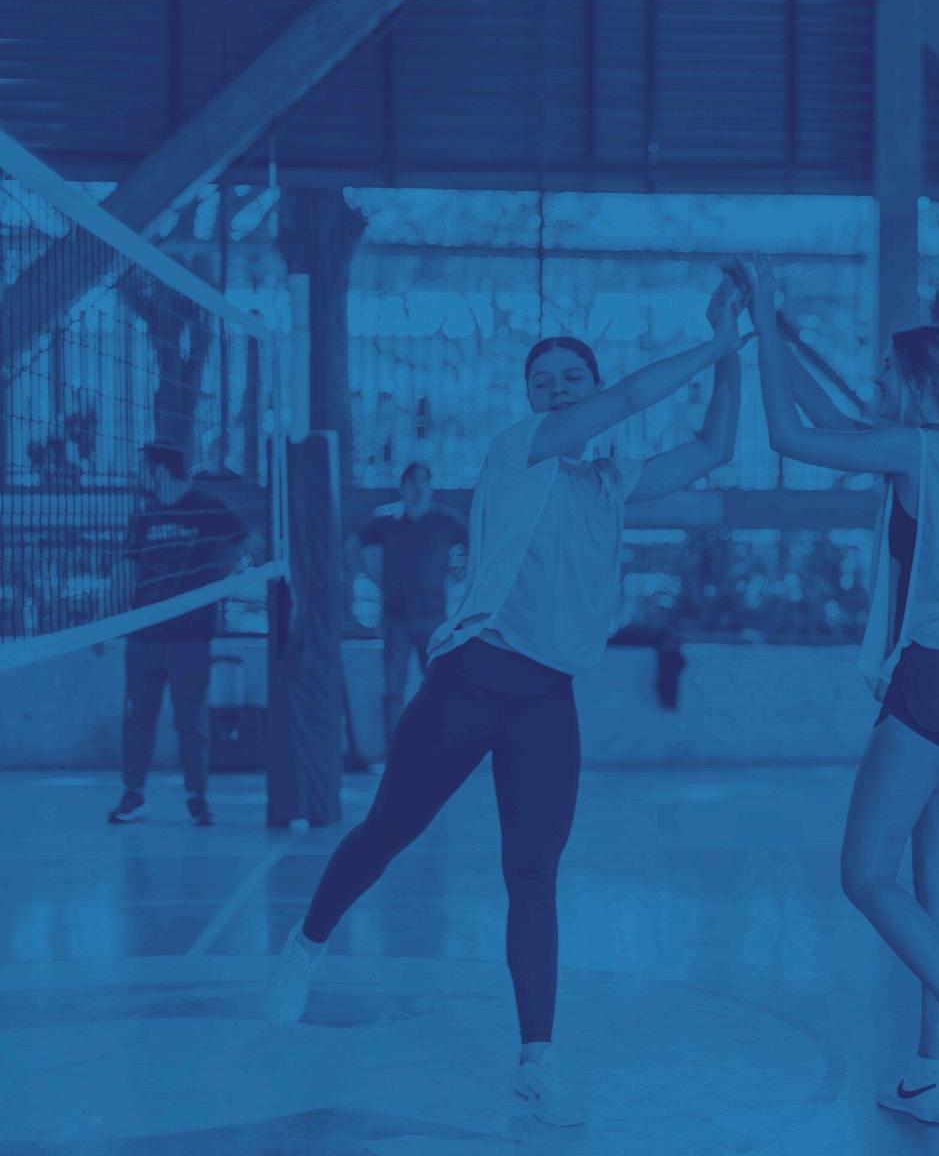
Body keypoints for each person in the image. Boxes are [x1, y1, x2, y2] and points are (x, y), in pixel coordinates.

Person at [262, 277, 746, 1129]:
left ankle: (537, 1062)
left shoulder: (611, 479)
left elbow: (712, 449)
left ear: (589, 384)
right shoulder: (522, 447)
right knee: (387, 832)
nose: (556, 390)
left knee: (533, 875)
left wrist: (732, 350)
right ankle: (306, 944)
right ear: (533, 400)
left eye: (570, 379)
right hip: (472, 678)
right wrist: (714, 342)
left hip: (546, 701)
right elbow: (632, 398)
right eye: (543, 381)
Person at [739, 256, 939, 1126]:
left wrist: (759, 323)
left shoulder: (913, 448)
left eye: (887, 372)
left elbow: (790, 436)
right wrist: (772, 330)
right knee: (938, 882)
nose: (877, 383)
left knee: (864, 872)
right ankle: (935, 1068)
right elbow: (829, 419)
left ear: (920, 384)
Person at [106, 443, 247, 826]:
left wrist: (224, 579)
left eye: (143, 467)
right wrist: (104, 623)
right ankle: (134, 796)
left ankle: (197, 797)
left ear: (161, 470)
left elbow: (245, 541)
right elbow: (127, 566)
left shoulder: (207, 507)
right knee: (137, 717)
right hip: (143, 634)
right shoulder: (144, 513)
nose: (138, 474)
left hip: (190, 634)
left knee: (189, 721)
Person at [348, 462, 468, 758]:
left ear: (431, 487)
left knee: (438, 684)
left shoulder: (446, 521)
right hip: (396, 616)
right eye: (412, 481)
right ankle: (396, 750)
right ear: (401, 487)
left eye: (424, 481)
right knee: (394, 687)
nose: (418, 487)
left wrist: (460, 576)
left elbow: (474, 547)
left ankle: (439, 747)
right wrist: (371, 577)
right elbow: (352, 547)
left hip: (433, 615)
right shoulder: (386, 521)